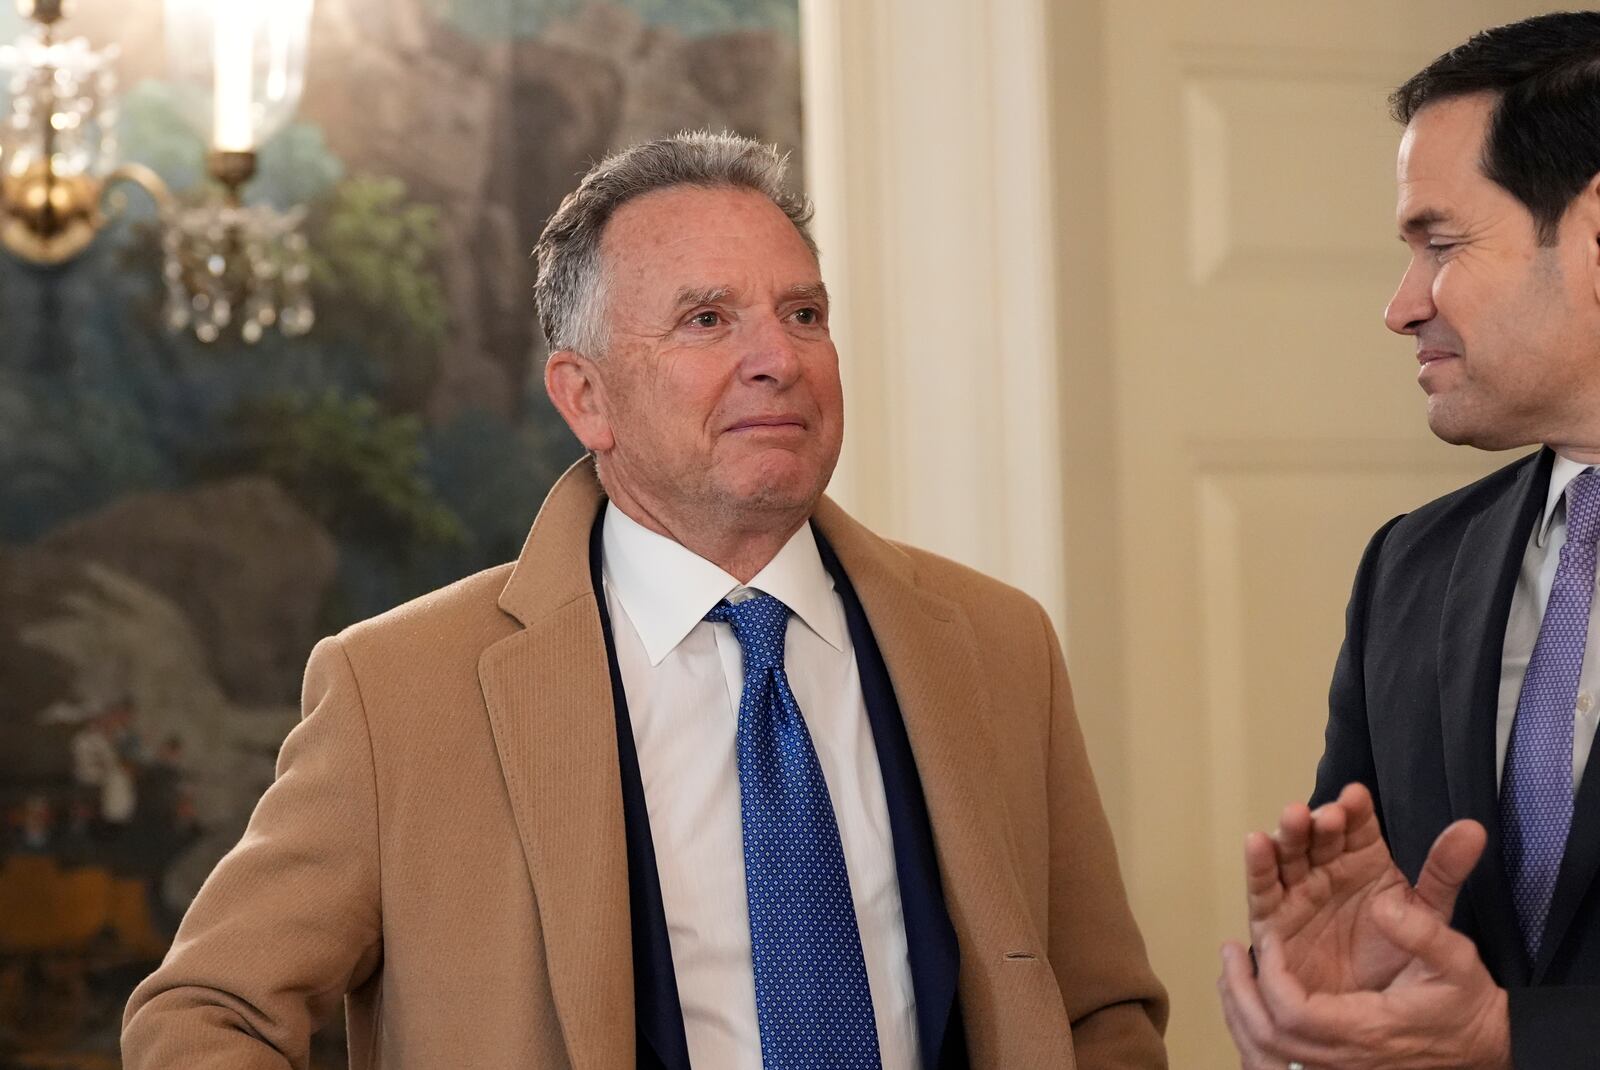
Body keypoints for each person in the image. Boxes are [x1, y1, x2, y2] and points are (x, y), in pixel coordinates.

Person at [122, 132, 1167, 1069]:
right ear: (585, 396)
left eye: (802, 313)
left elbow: (1100, 1017)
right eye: (707, 318)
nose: (778, 359)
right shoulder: (397, 690)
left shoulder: (996, 642)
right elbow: (203, 1011)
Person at [1220, 13, 1600, 1070]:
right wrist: (1332, 1013)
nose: (1400, 307)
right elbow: (1386, 941)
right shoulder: (1409, 569)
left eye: (1438, 244)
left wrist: (1510, 1038)